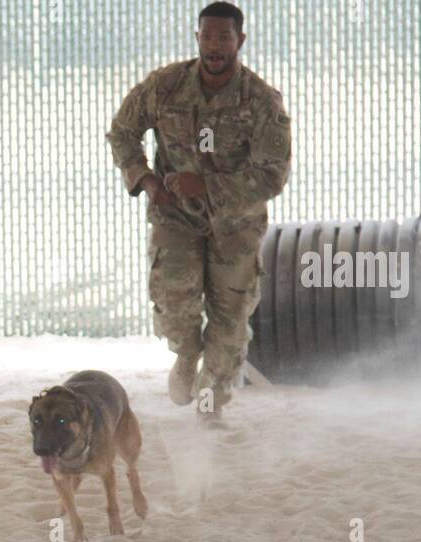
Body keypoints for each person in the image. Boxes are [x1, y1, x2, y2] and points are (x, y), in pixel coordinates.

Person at [107, 2, 291, 423]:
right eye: (207, 36)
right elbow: (123, 132)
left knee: (229, 330)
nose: (215, 46)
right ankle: (186, 354)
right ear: (197, 38)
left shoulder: (262, 101)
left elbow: (272, 176)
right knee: (175, 303)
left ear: (239, 41)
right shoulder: (166, 86)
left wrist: (206, 184)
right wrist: (147, 180)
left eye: (224, 38)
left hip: (236, 225)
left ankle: (210, 408)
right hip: (176, 216)